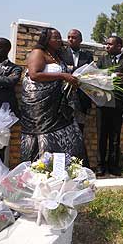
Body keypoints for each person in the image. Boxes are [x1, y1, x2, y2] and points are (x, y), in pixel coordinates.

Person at [20, 28, 84, 161]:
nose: (59, 40)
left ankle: (63, 167)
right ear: (46, 39)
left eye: (60, 37)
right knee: (43, 136)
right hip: (41, 107)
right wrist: (62, 75)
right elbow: (34, 75)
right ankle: (41, 167)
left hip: (58, 105)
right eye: (55, 37)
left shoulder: (58, 55)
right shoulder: (38, 53)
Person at [96, 36, 123, 176]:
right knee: (101, 136)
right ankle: (100, 166)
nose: (107, 46)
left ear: (119, 46)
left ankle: (114, 166)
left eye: (110, 44)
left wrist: (110, 77)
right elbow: (96, 77)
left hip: (118, 104)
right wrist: (113, 75)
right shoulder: (102, 60)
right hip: (102, 103)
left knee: (115, 137)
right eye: (106, 44)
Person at [62, 29, 93, 167]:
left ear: (80, 40)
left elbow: (91, 74)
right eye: (68, 37)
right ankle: (64, 164)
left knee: (79, 132)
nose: (70, 39)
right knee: (65, 132)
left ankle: (78, 164)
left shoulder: (88, 56)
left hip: (81, 100)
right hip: (65, 100)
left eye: (74, 37)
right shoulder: (61, 54)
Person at [0, 38, 22, 162]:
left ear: (7, 49)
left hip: (3, 113)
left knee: (0, 145)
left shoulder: (15, 68)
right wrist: (2, 81)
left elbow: (11, 81)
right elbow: (6, 81)